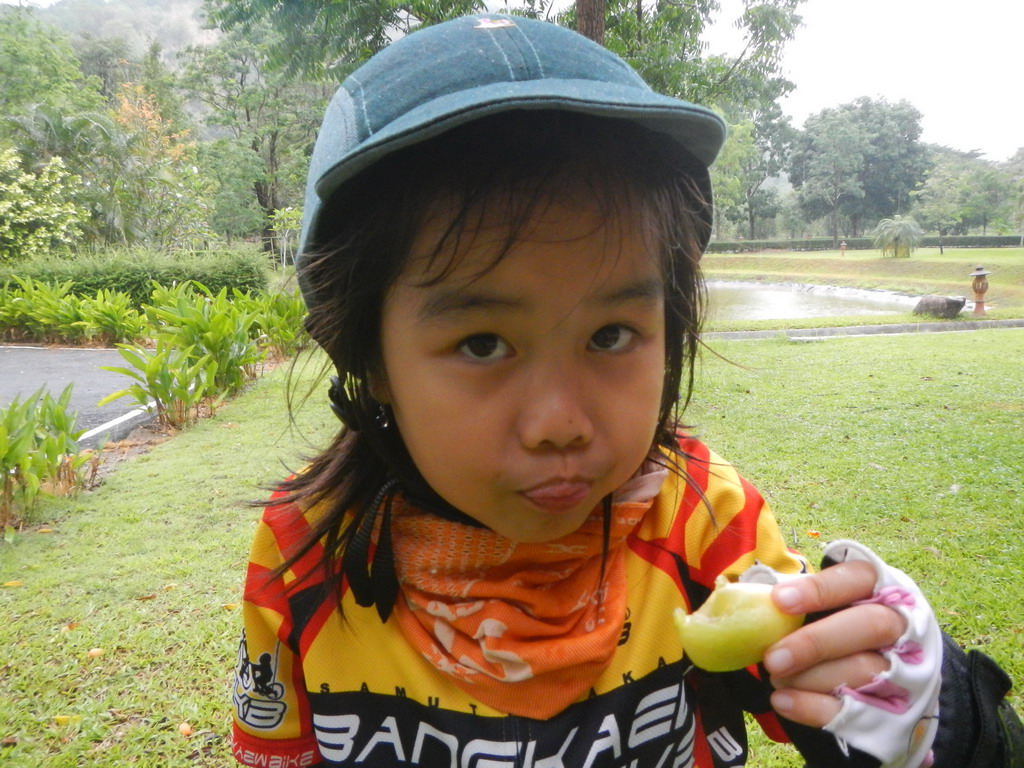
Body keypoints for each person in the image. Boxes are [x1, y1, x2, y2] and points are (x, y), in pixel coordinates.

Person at [230, 14, 1022, 768]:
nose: (559, 424)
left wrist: (933, 711)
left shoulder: (702, 520)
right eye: (482, 344)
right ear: (369, 357)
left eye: (611, 335)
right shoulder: (305, 554)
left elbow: (834, 704)